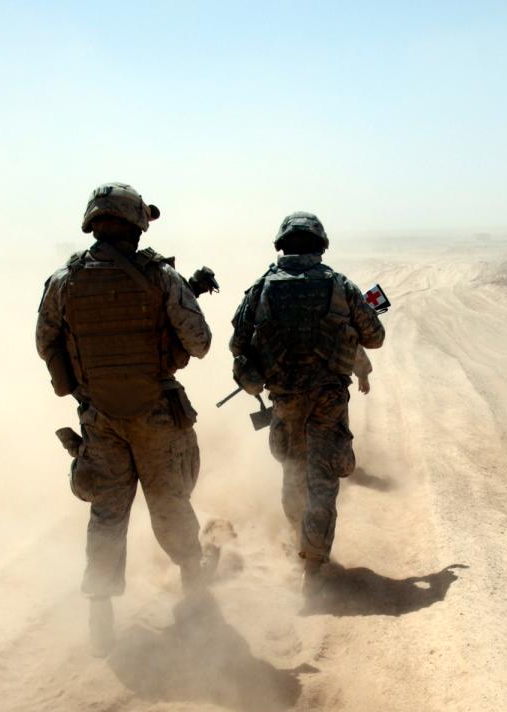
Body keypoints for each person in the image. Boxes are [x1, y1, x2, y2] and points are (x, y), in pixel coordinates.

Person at [36, 182, 215, 656]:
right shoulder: (160, 277)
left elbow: (45, 342)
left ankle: (100, 611)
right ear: (136, 225)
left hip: (99, 418)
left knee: (108, 513)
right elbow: (199, 341)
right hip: (156, 413)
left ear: (93, 223)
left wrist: (76, 387)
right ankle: (193, 587)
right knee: (170, 501)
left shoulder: (63, 280)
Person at [229, 212, 385, 594]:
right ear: (320, 245)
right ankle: (313, 564)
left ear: (282, 244)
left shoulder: (262, 286)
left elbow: (238, 345)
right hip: (328, 398)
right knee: (323, 479)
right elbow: (375, 337)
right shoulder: (339, 285)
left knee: (293, 470)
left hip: (285, 399)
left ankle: (296, 539)